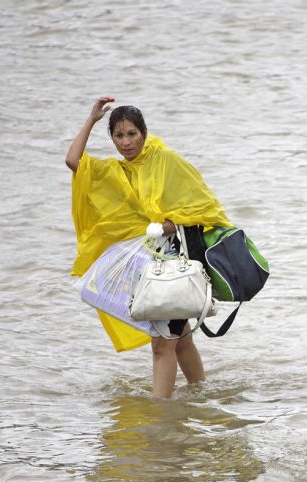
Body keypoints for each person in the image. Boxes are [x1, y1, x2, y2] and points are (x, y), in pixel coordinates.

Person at [65, 97, 232, 399]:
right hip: (146, 265)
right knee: (179, 340)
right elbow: (74, 161)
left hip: (172, 262)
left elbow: (202, 205)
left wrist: (165, 225)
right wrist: (91, 119)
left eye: (132, 134)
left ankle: (162, 419)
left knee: (162, 344)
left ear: (143, 132)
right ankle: (203, 397)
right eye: (118, 135)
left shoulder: (165, 160)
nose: (126, 142)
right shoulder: (117, 171)